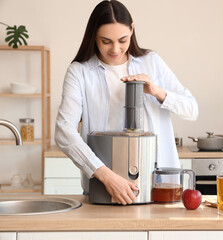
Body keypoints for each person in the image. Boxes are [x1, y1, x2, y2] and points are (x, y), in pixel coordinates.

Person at [55, 0, 198, 205]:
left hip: (160, 189)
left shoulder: (152, 61)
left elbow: (192, 109)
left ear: (132, 29)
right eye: (106, 41)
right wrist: (105, 175)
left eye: (123, 40)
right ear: (93, 35)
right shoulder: (79, 72)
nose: (115, 49)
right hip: (105, 189)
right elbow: (64, 131)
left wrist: (156, 91)